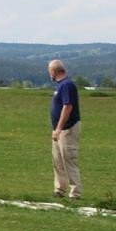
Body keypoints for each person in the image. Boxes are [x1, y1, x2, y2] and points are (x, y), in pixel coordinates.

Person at [48, 59, 81, 199]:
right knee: (57, 160)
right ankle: (59, 189)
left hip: (67, 129)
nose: (49, 73)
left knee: (68, 159)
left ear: (54, 71)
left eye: (50, 70)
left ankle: (75, 192)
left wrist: (59, 128)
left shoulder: (67, 85)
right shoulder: (60, 85)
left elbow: (67, 107)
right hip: (58, 130)